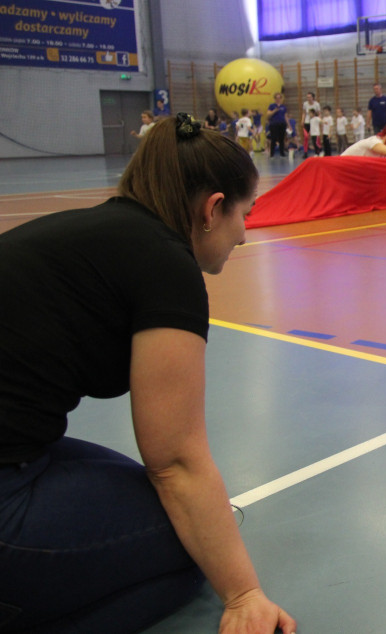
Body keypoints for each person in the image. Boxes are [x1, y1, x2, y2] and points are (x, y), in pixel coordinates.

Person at [0, 114, 296, 633]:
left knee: (195, 525)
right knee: (190, 553)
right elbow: (175, 462)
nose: (245, 235)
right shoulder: (165, 264)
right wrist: (243, 593)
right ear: (211, 209)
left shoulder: (96, 233)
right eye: (244, 214)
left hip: (23, 452)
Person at [265, 92, 288, 158]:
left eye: (279, 98)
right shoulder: (272, 106)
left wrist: (288, 125)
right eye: (276, 98)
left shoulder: (283, 107)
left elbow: (285, 116)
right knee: (273, 138)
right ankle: (272, 153)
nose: (278, 99)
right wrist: (274, 111)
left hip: (282, 124)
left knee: (281, 139)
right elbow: (268, 115)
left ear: (281, 99)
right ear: (275, 99)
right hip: (274, 124)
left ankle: (282, 152)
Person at [301, 91, 320, 157]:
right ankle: (305, 152)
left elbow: (318, 113)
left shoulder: (316, 104)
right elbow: (304, 113)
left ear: (313, 97)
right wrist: (302, 120)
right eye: (307, 97)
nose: (308, 98)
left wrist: (319, 121)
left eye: (310, 97)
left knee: (314, 138)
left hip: (314, 123)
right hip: (307, 122)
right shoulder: (305, 104)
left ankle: (317, 151)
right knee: (306, 137)